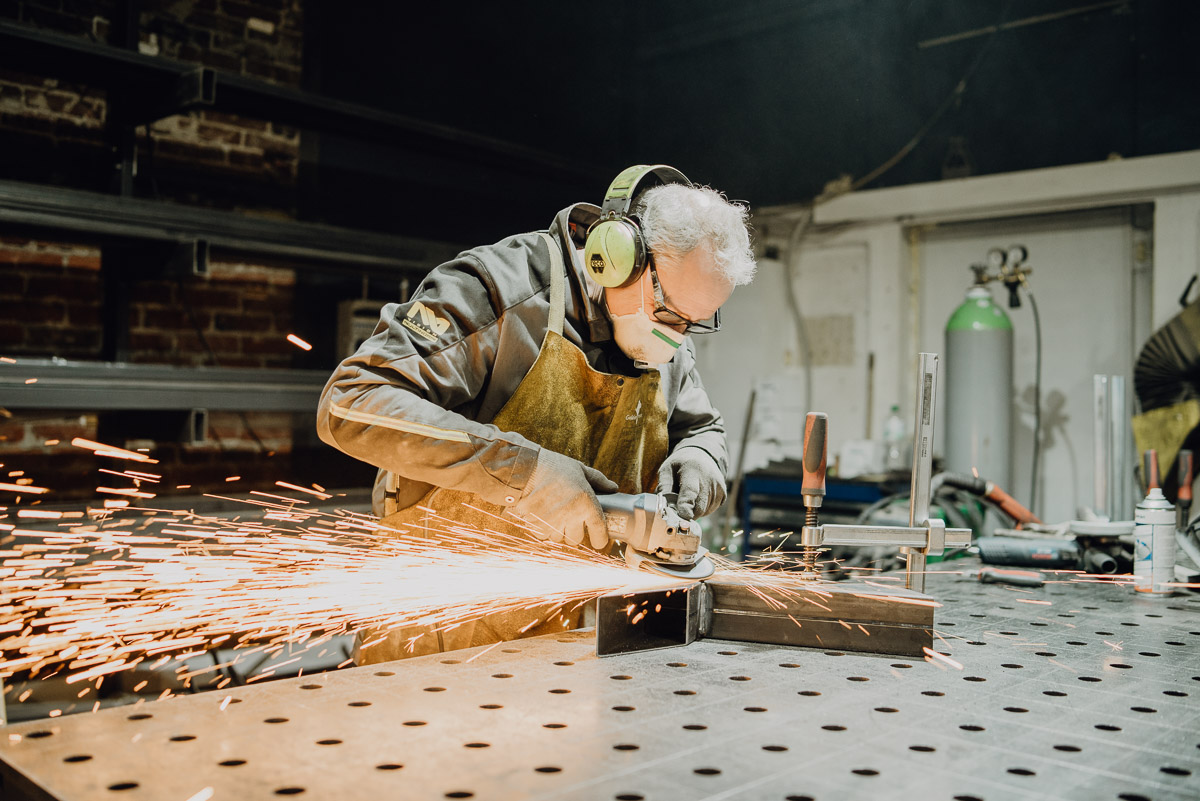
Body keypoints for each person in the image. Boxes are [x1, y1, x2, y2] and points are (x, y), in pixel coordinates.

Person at [316, 164, 756, 662]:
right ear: (616, 257)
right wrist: (524, 472)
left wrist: (700, 462)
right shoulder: (499, 292)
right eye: (667, 313)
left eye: (693, 324)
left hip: (564, 635)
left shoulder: (669, 340)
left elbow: (702, 430)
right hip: (438, 630)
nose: (674, 336)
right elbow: (352, 402)